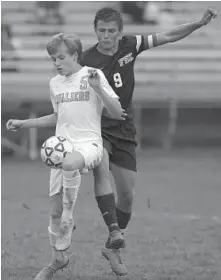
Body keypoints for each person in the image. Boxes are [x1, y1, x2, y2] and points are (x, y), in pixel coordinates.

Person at [81, 6, 217, 276]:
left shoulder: (131, 44)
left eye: (111, 31)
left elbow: (167, 36)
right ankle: (114, 230)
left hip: (124, 127)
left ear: (120, 33)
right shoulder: (86, 59)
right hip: (97, 127)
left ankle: (112, 248)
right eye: (101, 30)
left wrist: (198, 25)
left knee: (128, 196)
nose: (106, 36)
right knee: (101, 169)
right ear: (95, 30)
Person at [6, 32, 127, 280]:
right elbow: (56, 116)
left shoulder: (93, 75)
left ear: (75, 55)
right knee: (53, 213)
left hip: (89, 144)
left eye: (61, 57)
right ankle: (58, 258)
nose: (57, 63)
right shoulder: (55, 83)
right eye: (53, 59)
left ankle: (70, 218)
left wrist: (97, 89)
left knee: (70, 164)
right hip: (62, 146)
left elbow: (116, 112)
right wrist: (23, 123)